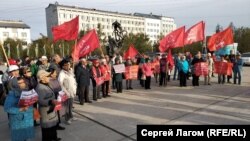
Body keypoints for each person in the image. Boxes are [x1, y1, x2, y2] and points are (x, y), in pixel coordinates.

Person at [4, 77, 35, 141]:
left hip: (27, 119)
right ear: (14, 84)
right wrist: (19, 110)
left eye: (23, 82)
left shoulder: (26, 91)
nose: (23, 84)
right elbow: (7, 108)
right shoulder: (12, 95)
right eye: (19, 83)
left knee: (27, 137)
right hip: (19, 121)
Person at [35, 70, 60, 141]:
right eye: (48, 76)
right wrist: (50, 101)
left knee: (53, 126)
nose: (49, 77)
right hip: (46, 111)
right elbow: (40, 101)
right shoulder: (40, 88)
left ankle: (54, 137)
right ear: (42, 78)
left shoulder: (47, 84)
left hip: (51, 110)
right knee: (47, 129)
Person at [58, 59, 77, 125]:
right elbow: (60, 84)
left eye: (69, 64)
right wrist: (66, 92)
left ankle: (71, 116)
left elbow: (73, 81)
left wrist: (74, 90)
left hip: (72, 91)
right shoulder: (62, 73)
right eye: (66, 65)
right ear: (63, 66)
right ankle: (67, 119)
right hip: (66, 92)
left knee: (70, 105)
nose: (68, 66)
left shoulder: (70, 71)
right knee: (66, 106)